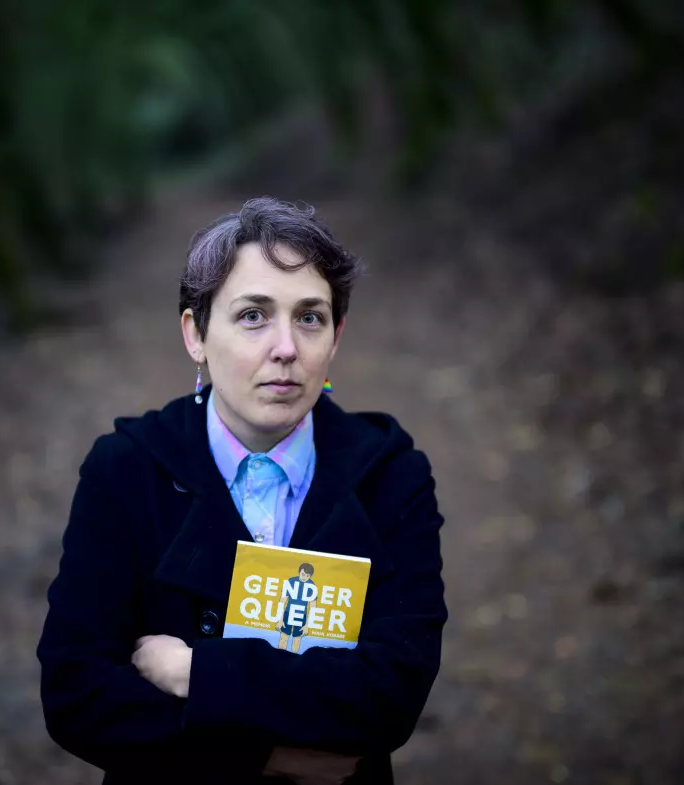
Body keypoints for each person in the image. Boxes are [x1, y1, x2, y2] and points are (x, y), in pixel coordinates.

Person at [37, 197, 447, 785]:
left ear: (335, 339)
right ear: (196, 334)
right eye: (253, 315)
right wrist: (266, 760)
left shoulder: (391, 476)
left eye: (310, 317)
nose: (286, 347)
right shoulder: (126, 470)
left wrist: (196, 672)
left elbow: (391, 693)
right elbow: (77, 695)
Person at [277, 562, 317, 653]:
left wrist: (307, 625)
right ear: (299, 572)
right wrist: (280, 619)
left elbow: (313, 607)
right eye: (303, 574)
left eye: (307, 576)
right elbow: (282, 601)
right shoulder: (291, 581)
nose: (304, 577)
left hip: (301, 615)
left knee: (297, 641)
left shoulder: (311, 585)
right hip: (288, 613)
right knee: (283, 639)